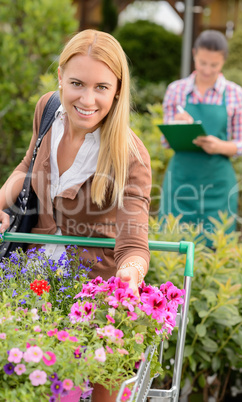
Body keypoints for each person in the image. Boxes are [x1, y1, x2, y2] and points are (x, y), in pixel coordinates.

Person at [0, 29, 151, 401]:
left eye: (101, 87)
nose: (87, 99)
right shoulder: (48, 110)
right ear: (60, 79)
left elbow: (134, 244)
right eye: (76, 84)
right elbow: (27, 165)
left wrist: (130, 277)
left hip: (91, 298)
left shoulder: (130, 155)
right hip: (30, 282)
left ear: (117, 89)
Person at [160, 29, 242, 245]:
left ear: (223, 62)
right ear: (194, 54)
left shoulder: (236, 94)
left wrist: (219, 145)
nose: (207, 70)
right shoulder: (176, 91)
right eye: (202, 63)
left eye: (214, 65)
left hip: (218, 186)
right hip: (180, 183)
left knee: (216, 246)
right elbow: (166, 142)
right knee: (173, 244)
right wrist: (177, 125)